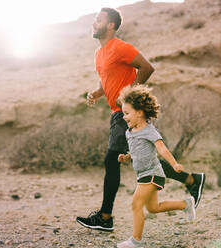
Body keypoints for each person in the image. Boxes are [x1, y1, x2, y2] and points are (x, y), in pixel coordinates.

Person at [76, 7, 205, 232]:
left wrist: (130, 97)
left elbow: (147, 67)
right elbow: (105, 79)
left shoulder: (120, 47)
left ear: (110, 25)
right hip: (117, 113)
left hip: (125, 113)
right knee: (144, 158)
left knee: (111, 160)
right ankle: (192, 180)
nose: (93, 23)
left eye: (98, 20)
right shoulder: (99, 53)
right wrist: (97, 93)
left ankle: (105, 217)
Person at [115, 85, 195, 248]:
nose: (124, 117)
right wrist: (127, 157)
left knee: (136, 204)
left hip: (152, 173)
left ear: (140, 112)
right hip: (142, 174)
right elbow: (137, 150)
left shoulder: (149, 130)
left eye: (127, 113)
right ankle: (186, 204)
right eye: (123, 113)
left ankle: (136, 241)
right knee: (153, 208)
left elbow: (162, 149)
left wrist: (174, 164)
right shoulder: (130, 131)